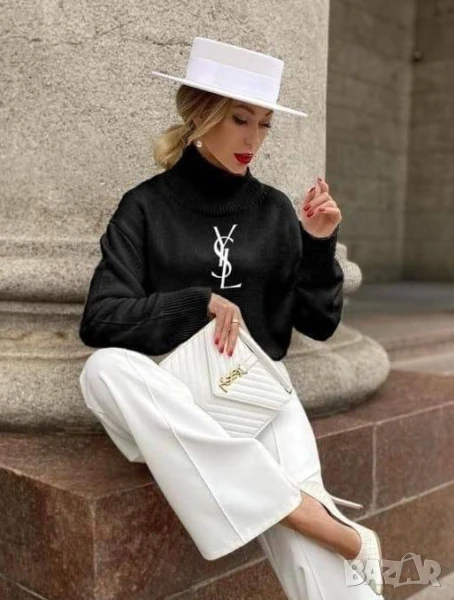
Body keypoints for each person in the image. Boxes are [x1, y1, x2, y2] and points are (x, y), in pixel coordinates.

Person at [78, 37, 385, 599]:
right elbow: (100, 319)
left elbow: (318, 325)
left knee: (315, 564)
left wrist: (318, 246)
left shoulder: (273, 211)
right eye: (240, 119)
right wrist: (196, 302)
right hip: (178, 396)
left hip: (258, 389)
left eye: (264, 124)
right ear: (202, 115)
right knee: (102, 370)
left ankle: (308, 521)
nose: (253, 139)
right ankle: (305, 511)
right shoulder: (145, 207)